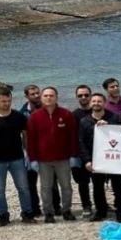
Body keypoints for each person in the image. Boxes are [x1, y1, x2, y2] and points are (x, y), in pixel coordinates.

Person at [0, 88, 34, 227]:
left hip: (17, 158)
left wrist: (28, 153)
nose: (6, 104)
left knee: (23, 187)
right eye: (3, 101)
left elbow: (25, 135)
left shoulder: (18, 116)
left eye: (9, 101)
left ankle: (27, 213)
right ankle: (3, 215)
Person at [26, 87, 80, 223]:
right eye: (45, 96)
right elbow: (30, 140)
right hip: (43, 160)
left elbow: (73, 137)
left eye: (51, 95)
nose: (48, 98)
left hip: (64, 158)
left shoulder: (66, 114)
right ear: (42, 98)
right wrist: (32, 159)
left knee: (66, 186)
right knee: (46, 187)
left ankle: (66, 210)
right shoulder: (34, 117)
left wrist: (74, 155)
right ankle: (48, 213)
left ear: (56, 97)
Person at [79, 93, 121, 223]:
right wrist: (87, 160)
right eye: (93, 101)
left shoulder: (114, 118)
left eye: (99, 101)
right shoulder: (84, 121)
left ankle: (120, 210)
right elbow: (81, 142)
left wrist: (110, 127)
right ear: (90, 103)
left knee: (118, 185)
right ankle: (101, 211)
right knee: (97, 186)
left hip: (113, 158)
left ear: (104, 103)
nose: (96, 103)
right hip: (96, 159)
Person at [19, 84, 60, 218]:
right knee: (31, 183)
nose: (36, 96)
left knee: (52, 182)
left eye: (38, 93)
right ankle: (35, 208)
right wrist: (26, 153)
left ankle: (56, 207)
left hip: (47, 153)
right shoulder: (22, 113)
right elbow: (21, 134)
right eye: (33, 94)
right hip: (29, 153)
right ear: (26, 96)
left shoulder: (49, 108)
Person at [72, 85, 93, 218]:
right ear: (77, 97)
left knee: (99, 181)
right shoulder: (73, 115)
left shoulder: (98, 111)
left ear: (90, 95)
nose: (83, 97)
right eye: (80, 95)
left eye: (86, 95)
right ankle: (86, 205)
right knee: (82, 182)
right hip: (80, 153)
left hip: (97, 152)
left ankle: (102, 203)